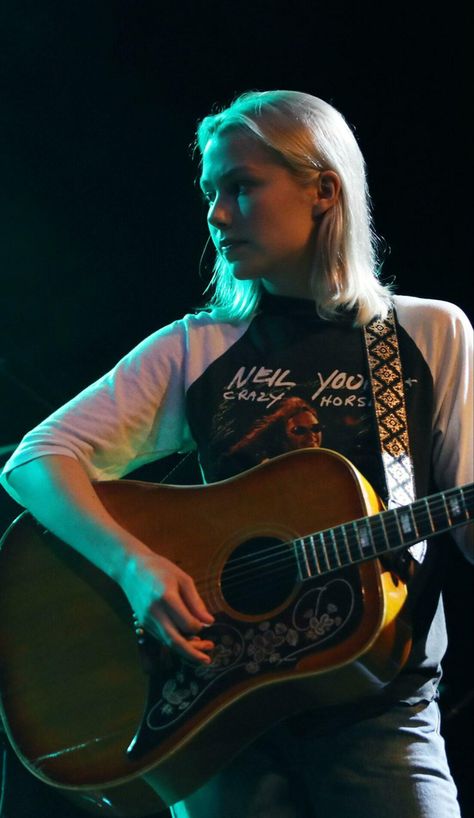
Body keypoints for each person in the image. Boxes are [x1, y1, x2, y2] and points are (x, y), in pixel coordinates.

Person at [1, 90, 472, 818]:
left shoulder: (427, 334)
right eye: (212, 192)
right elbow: (33, 460)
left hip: (379, 714)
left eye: (242, 187)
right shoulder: (198, 345)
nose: (217, 215)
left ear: (323, 190)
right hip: (217, 722)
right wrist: (136, 566)